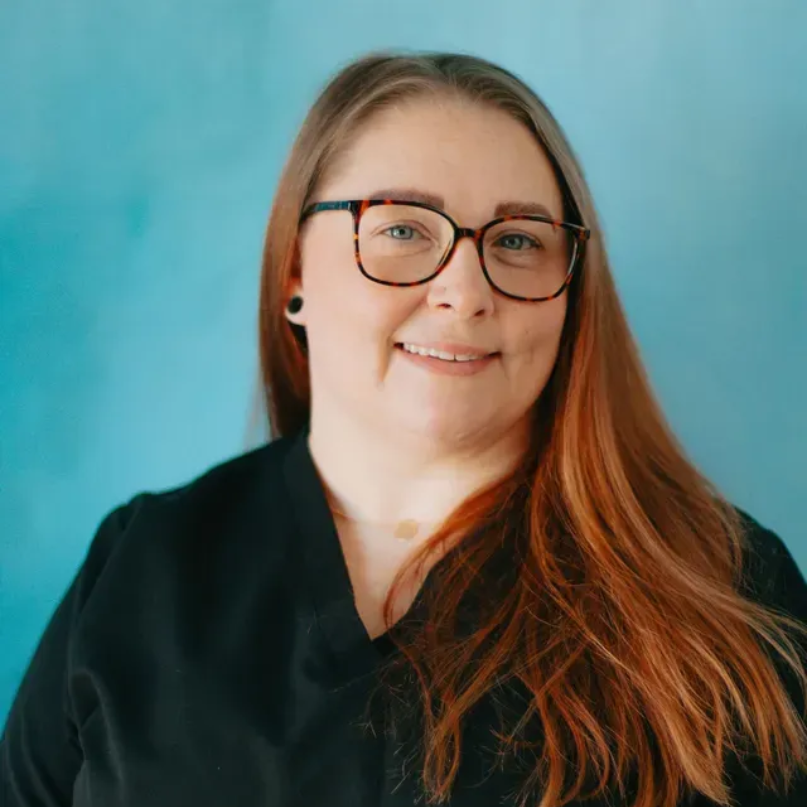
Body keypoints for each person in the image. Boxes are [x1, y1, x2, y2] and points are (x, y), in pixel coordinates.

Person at [2, 50, 806, 807]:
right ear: (293, 269)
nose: (463, 289)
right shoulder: (144, 566)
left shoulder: (725, 590)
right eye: (400, 228)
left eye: (519, 240)